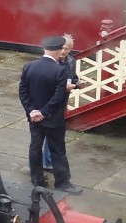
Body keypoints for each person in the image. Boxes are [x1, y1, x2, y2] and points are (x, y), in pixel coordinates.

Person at [19, 35, 81, 195]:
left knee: (35, 148)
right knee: (58, 150)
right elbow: (58, 97)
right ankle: (62, 183)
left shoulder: (29, 66)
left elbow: (23, 92)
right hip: (53, 119)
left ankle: (37, 180)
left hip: (34, 118)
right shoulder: (59, 71)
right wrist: (44, 113)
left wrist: (32, 111)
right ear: (58, 50)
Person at [43, 34, 86, 171]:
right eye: (61, 48)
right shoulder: (50, 62)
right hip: (48, 102)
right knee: (47, 133)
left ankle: (50, 160)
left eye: (67, 49)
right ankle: (46, 161)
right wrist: (63, 87)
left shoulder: (71, 61)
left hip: (62, 102)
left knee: (56, 132)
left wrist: (78, 84)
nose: (63, 52)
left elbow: (72, 77)